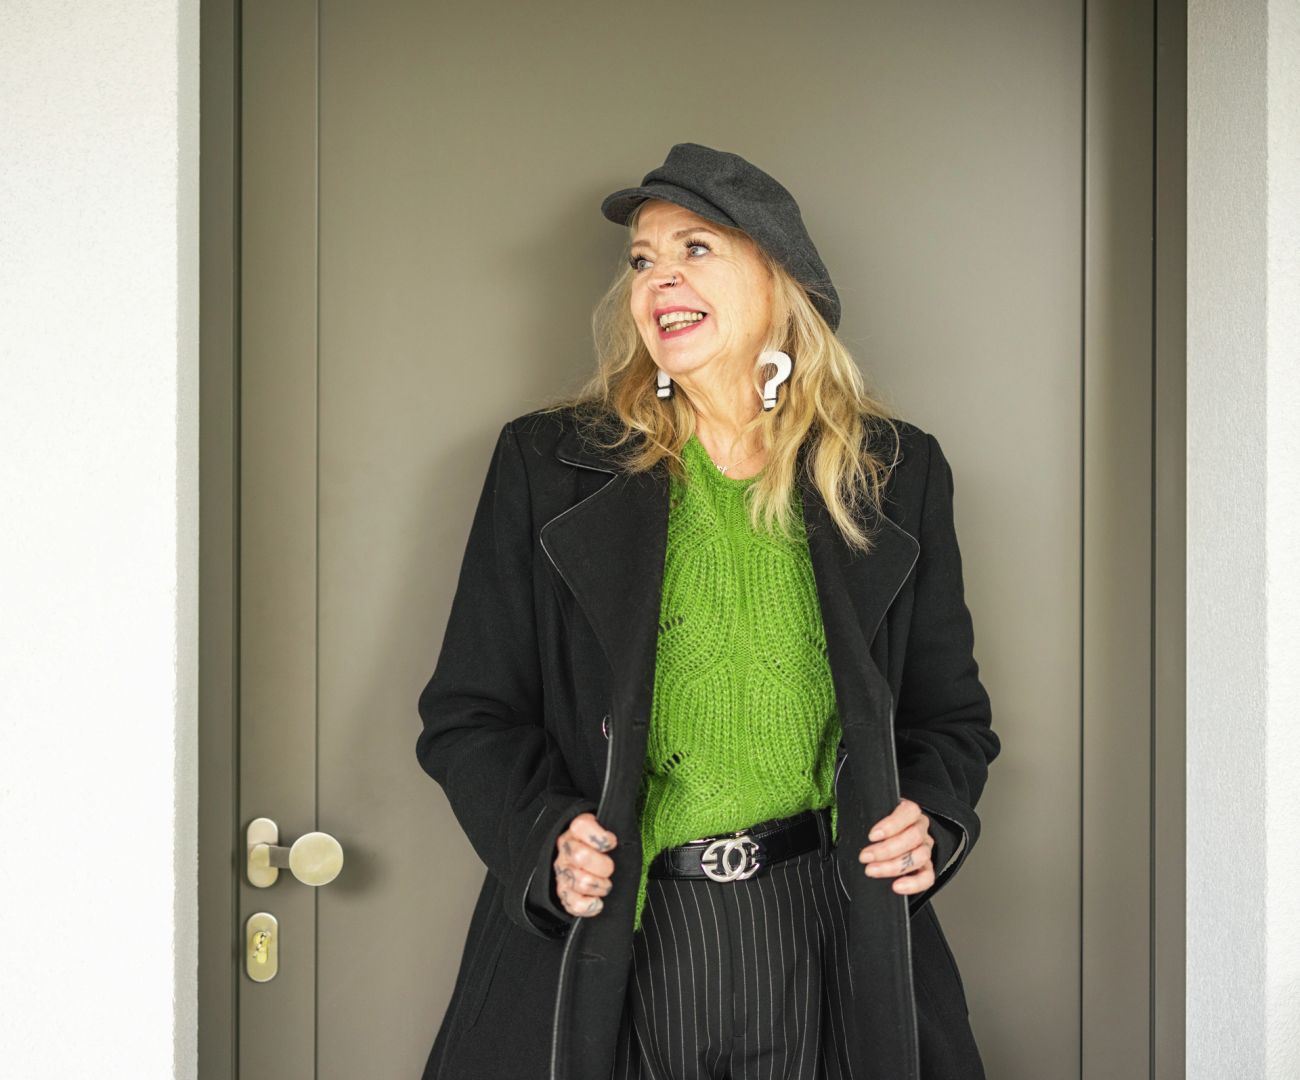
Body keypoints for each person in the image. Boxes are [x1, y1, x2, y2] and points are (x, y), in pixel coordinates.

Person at [416, 142, 1000, 1080]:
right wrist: (545, 837)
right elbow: (467, 714)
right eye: (643, 259)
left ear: (782, 278)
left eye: (696, 249)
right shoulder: (549, 465)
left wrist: (930, 815)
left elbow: (951, 716)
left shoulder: (893, 472)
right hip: (620, 933)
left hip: (827, 928)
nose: (659, 279)